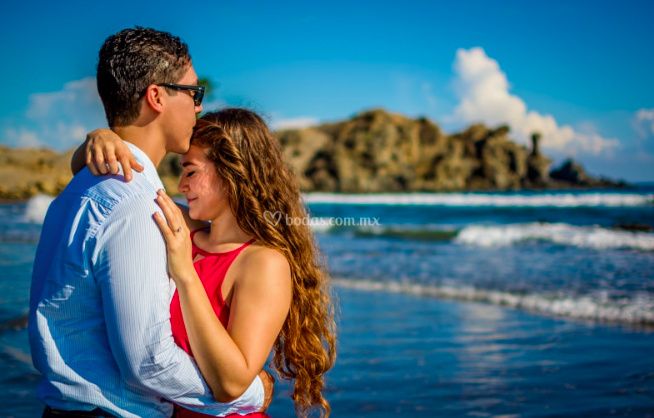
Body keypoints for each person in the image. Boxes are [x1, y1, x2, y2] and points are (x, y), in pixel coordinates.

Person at [29, 27, 271, 418]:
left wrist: (94, 141)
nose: (198, 107)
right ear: (156, 96)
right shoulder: (135, 205)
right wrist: (250, 394)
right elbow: (147, 363)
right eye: (193, 93)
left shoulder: (78, 188)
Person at [77, 108, 337, 417]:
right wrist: (99, 139)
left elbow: (232, 382)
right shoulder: (183, 229)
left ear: (232, 173)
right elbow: (111, 185)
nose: (181, 186)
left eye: (191, 171)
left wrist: (185, 276)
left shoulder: (263, 263)